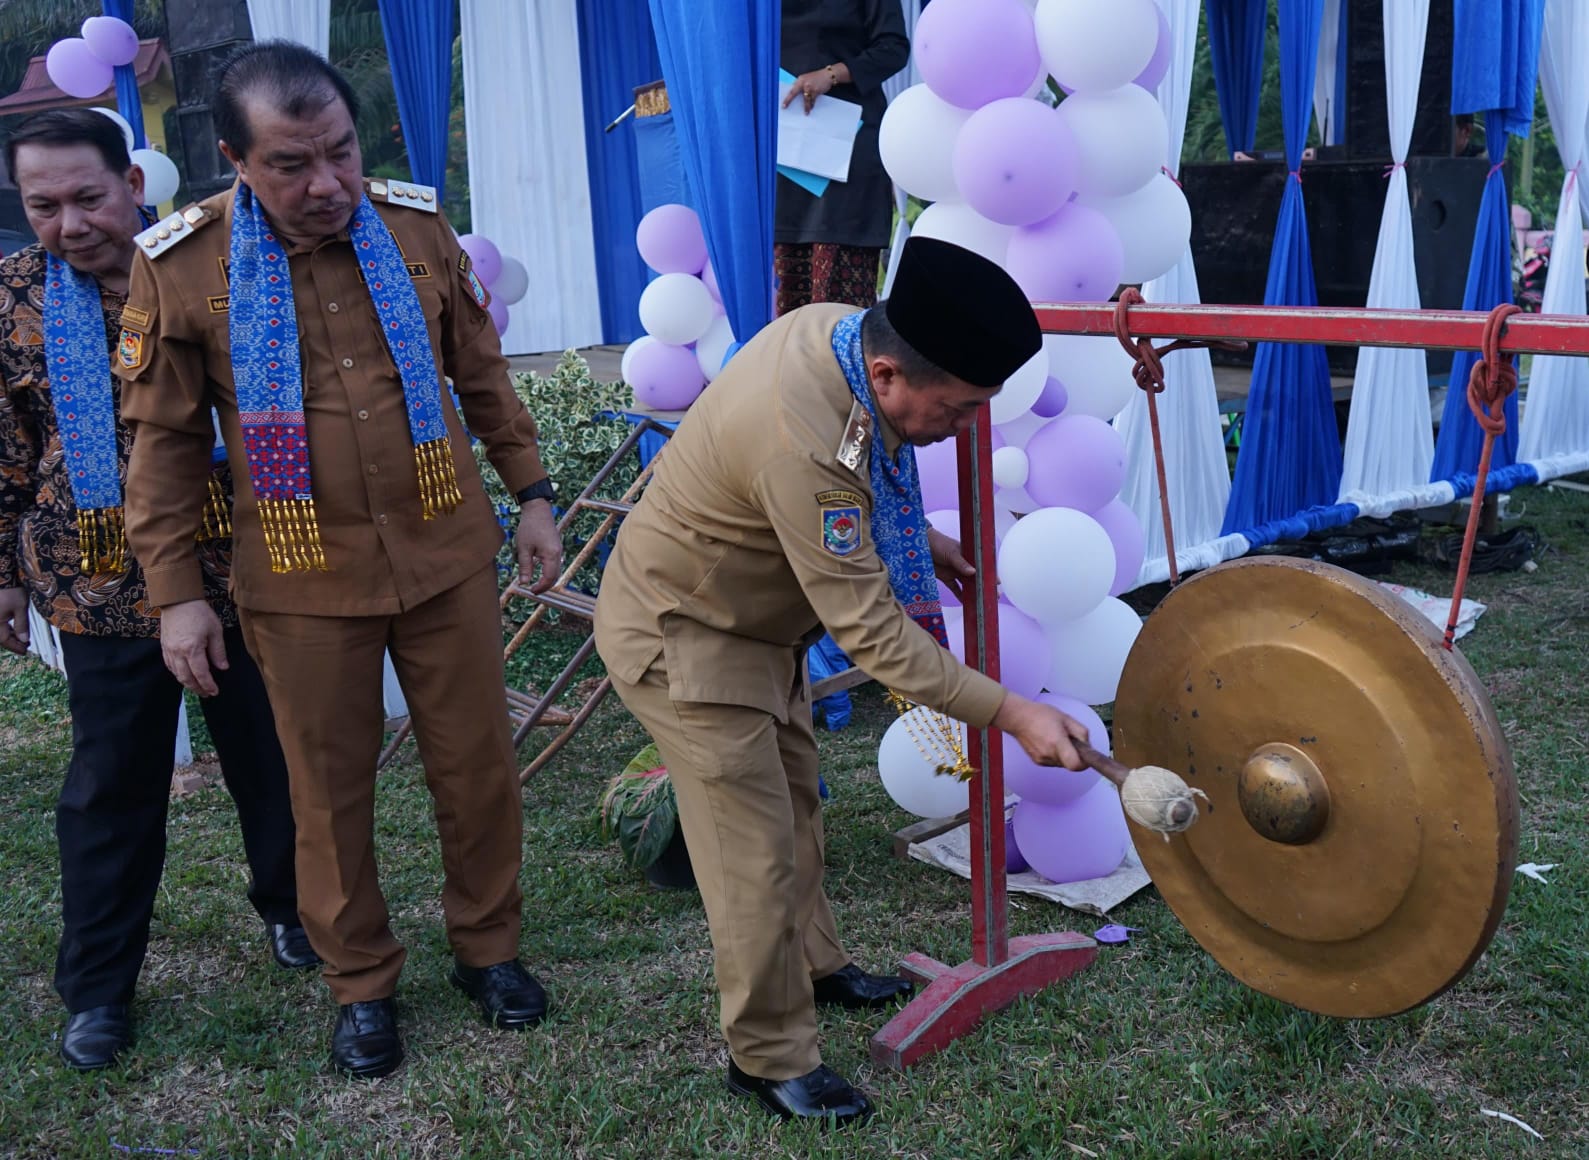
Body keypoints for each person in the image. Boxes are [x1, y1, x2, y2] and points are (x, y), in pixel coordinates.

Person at [114, 42, 565, 1080]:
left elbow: (482, 375)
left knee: (477, 765)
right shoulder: (182, 265)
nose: (325, 186)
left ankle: (488, 949)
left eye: (340, 154)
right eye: (290, 164)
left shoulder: (410, 227)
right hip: (301, 571)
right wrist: (177, 597)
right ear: (233, 157)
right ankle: (360, 983)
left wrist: (532, 495)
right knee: (325, 787)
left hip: (443, 544)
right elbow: (165, 449)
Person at [593, 236, 1092, 1127]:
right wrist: (1013, 711)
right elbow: (872, 639)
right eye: (960, 406)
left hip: (754, 624)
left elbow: (868, 468)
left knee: (797, 808)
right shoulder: (804, 442)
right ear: (893, 372)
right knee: (752, 853)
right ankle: (769, 1057)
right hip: (687, 638)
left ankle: (816, 969)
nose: (967, 425)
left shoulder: (838, 337)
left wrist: (918, 538)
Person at [0, 108, 316, 1074]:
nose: (68, 223)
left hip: (248, 564)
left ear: (134, 185)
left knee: (277, 758)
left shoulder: (210, 269)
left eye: (88, 198)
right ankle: (99, 990)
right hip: (100, 583)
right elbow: (6, 452)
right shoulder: (11, 299)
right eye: (41, 205)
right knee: (112, 786)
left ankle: (296, 913)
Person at [776, 0, 910, 316]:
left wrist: (831, 74)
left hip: (847, 148)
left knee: (837, 299)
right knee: (785, 285)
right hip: (785, 151)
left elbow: (893, 48)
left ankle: (839, 364)